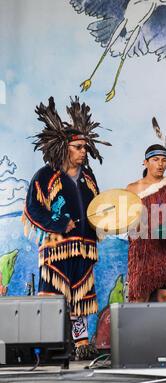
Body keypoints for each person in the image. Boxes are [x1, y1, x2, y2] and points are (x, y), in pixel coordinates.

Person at [22, 96, 111, 360]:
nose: (84, 151)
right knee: (53, 295)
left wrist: (105, 222)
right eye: (79, 147)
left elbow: (97, 206)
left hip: (84, 247)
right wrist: (60, 223)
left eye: (86, 147)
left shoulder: (88, 177)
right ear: (65, 148)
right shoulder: (45, 175)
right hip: (56, 249)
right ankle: (51, 346)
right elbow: (32, 209)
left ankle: (81, 343)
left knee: (80, 295)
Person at [126, 118, 166, 302]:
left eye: (164, 160)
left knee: (165, 297)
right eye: (155, 160)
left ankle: (163, 331)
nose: (160, 164)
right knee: (139, 300)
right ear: (145, 163)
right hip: (142, 254)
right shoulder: (132, 189)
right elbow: (127, 225)